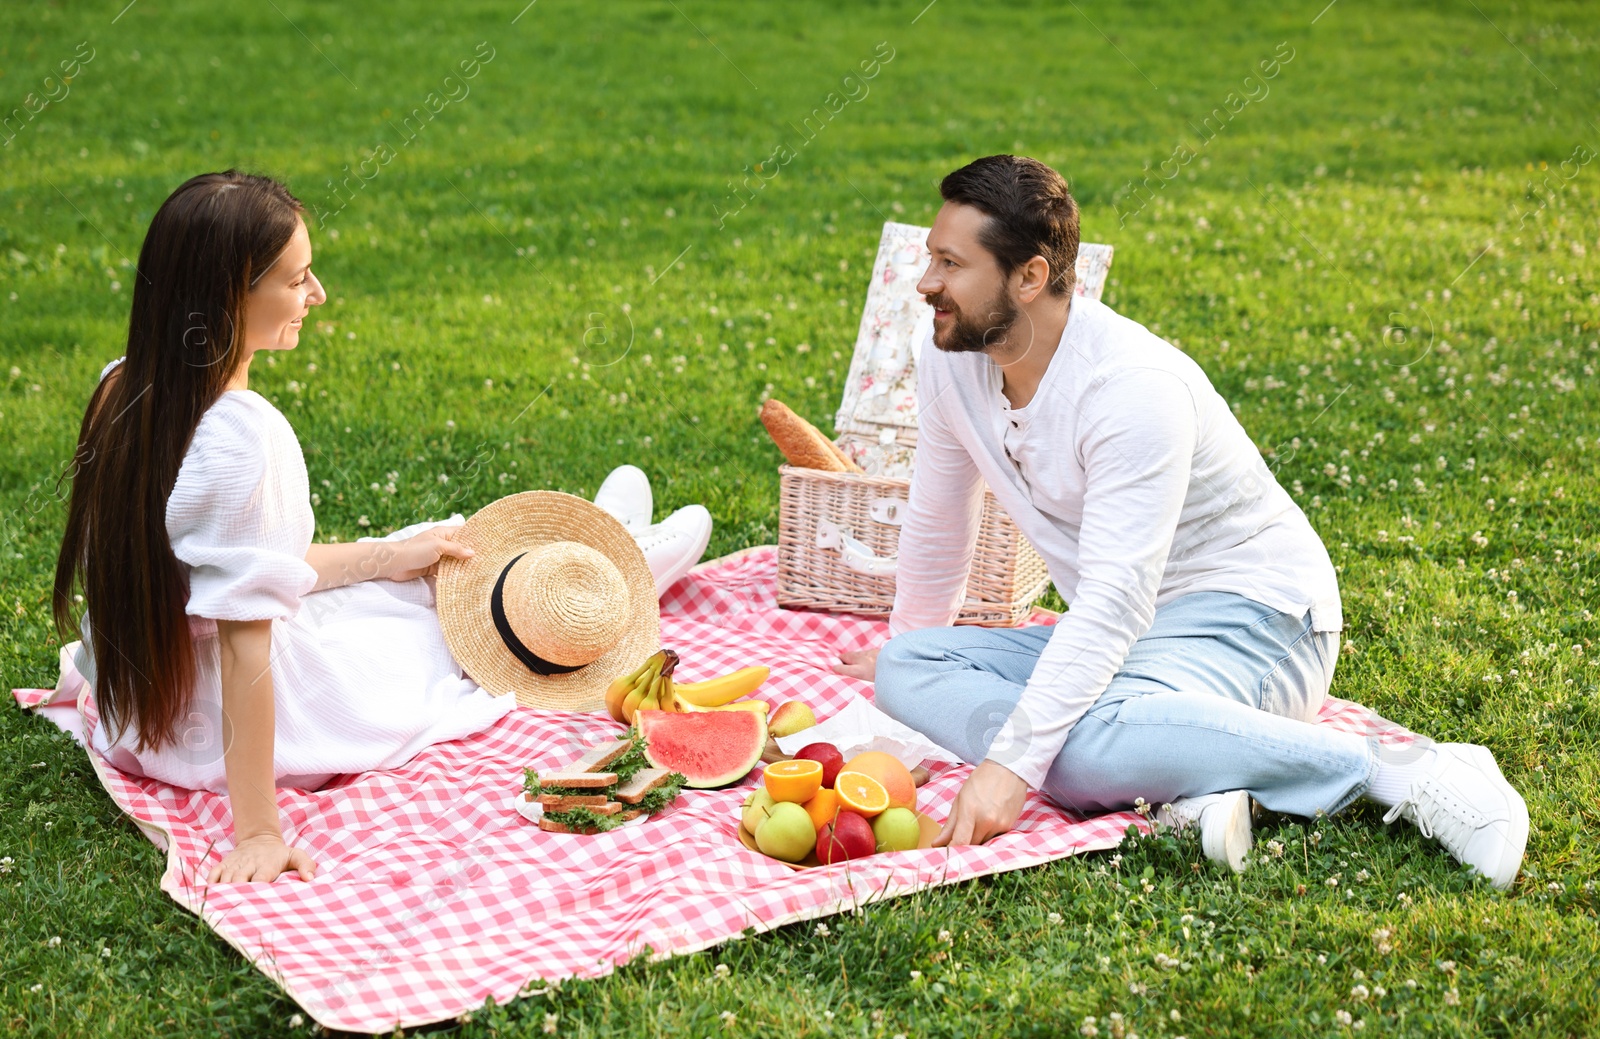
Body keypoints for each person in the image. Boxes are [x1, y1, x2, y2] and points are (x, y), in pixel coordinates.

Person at [833, 155, 1527, 889]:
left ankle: (1390, 767)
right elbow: (941, 519)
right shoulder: (950, 359)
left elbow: (1113, 601)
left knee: (1059, 753)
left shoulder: (1132, 389)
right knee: (908, 665)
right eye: (929, 257)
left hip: (1262, 621)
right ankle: (1194, 786)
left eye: (950, 262)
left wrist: (1009, 767)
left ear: (1030, 277)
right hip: (1138, 644)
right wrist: (904, 684)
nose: (925, 282)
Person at [52, 171, 708, 885]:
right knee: (452, 627)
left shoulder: (123, 386)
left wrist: (383, 556)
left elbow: (234, 563)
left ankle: (589, 547)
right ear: (227, 297)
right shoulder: (242, 434)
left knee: (418, 559)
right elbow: (246, 649)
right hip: (226, 723)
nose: (318, 294)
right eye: (298, 278)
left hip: (147, 715)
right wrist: (260, 830)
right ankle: (610, 577)